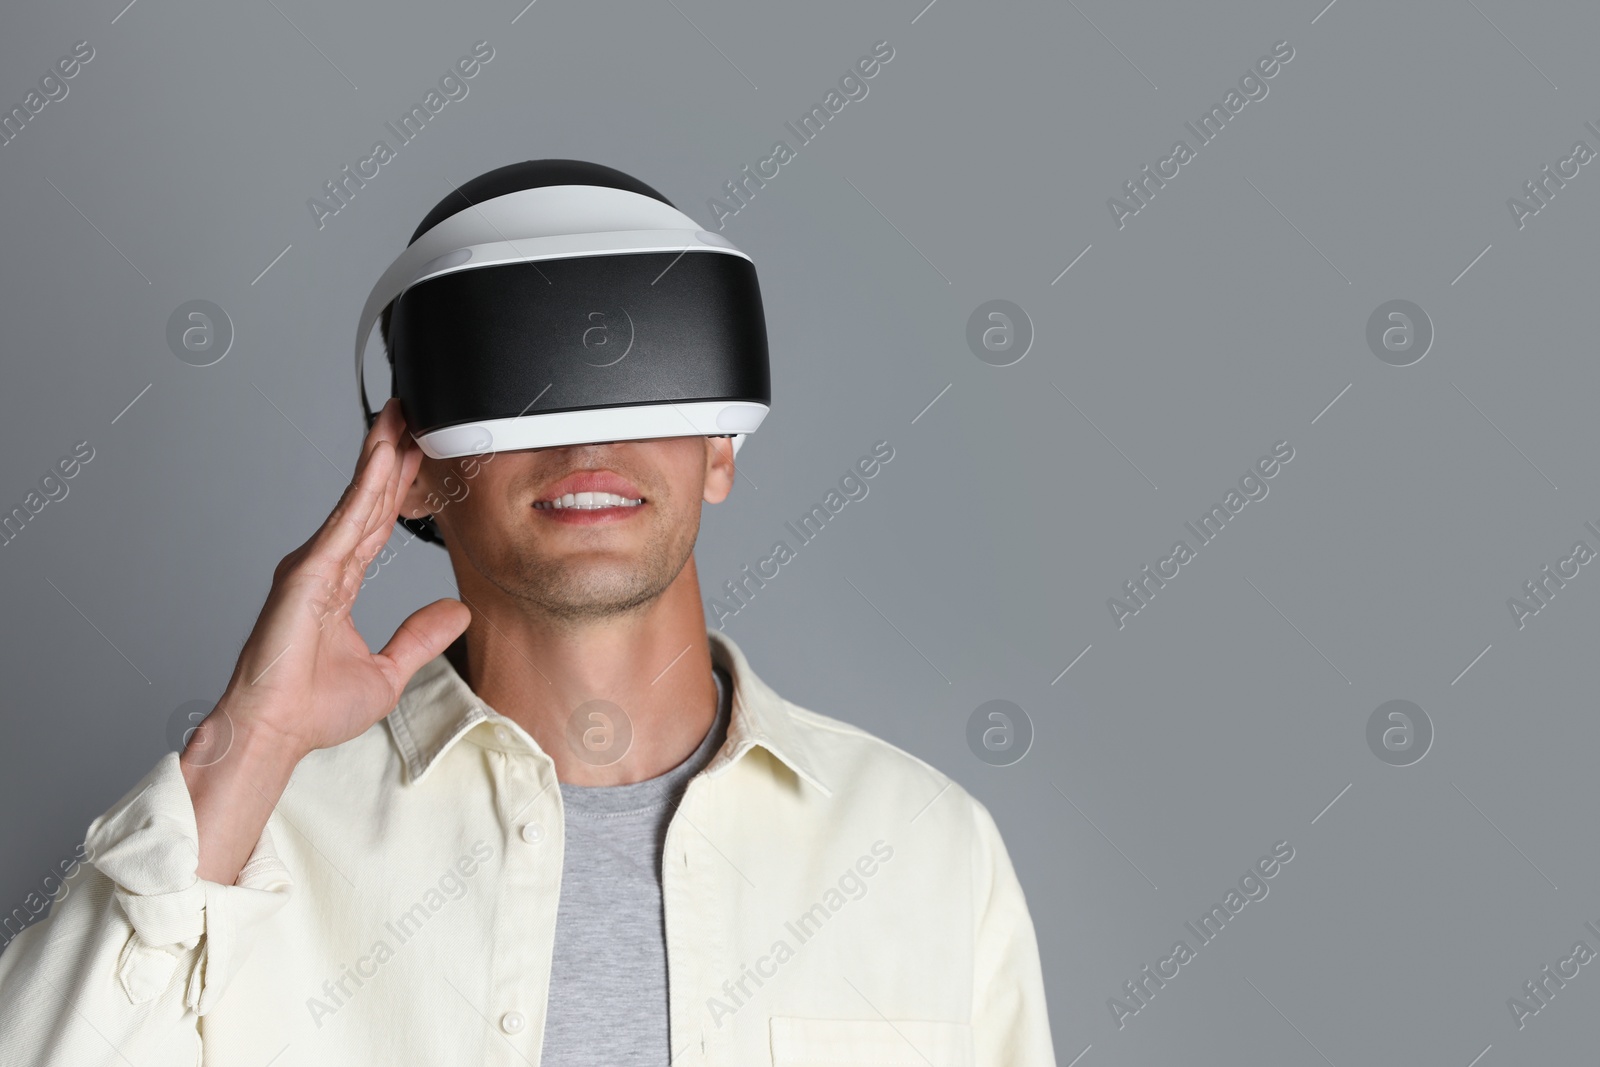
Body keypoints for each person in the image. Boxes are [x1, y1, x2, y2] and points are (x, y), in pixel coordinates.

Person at [0, 162, 1057, 1067]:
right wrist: (248, 744)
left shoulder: (922, 850)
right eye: (518, 366)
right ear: (407, 466)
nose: (587, 436)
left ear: (723, 440)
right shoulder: (252, 843)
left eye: (644, 361)